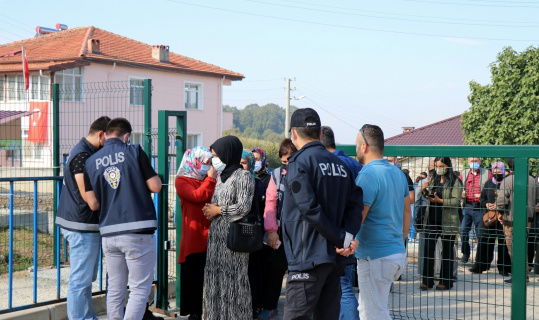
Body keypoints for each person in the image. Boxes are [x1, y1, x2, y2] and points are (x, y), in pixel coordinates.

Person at [281, 108, 363, 320]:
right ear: (319, 134)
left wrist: (340, 238)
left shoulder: (298, 163)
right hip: (335, 261)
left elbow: (308, 207)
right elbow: (356, 203)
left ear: (294, 134)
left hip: (307, 256)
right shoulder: (340, 165)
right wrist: (347, 236)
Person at [84, 118, 162, 320]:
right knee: (138, 290)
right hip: (137, 230)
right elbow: (155, 186)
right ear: (126, 136)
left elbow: (93, 201)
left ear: (106, 134)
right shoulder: (134, 151)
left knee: (115, 290)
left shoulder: (91, 162)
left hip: (109, 232)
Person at [354, 124, 411, 319]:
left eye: (356, 145)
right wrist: (398, 241)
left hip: (374, 256)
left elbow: (357, 217)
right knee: (377, 309)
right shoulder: (397, 173)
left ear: (364, 147)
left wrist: (345, 241)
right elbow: (406, 212)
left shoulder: (367, 175)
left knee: (372, 313)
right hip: (395, 252)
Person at [56, 116, 109, 320]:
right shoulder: (82, 156)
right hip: (81, 225)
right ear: (101, 134)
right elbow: (90, 199)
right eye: (109, 139)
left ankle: (87, 316)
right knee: (80, 280)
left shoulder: (84, 152)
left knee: (85, 279)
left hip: (81, 224)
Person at [201, 135, 255, 320]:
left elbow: (243, 207)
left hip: (233, 243)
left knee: (233, 285)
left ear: (228, 154)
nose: (213, 159)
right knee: (215, 282)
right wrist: (210, 210)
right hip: (216, 241)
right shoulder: (222, 177)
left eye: (216, 155)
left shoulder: (243, 176)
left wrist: (218, 210)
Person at [321, 125, 362, 320]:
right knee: (345, 284)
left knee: (342, 286)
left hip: (336, 235)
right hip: (353, 234)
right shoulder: (354, 164)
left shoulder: (328, 165)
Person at [175, 147, 216, 320]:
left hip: (212, 235)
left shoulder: (208, 179)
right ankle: (195, 312)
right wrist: (211, 179)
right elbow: (197, 196)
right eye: (205, 163)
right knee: (194, 276)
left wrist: (210, 179)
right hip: (194, 237)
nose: (207, 167)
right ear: (195, 161)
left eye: (209, 164)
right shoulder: (182, 180)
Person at [258, 139, 297, 320]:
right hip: (280, 231)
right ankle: (270, 306)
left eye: (290, 160)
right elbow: (271, 203)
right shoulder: (276, 175)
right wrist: (271, 231)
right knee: (274, 270)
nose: (286, 165)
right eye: (283, 162)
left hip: (301, 232)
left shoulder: (308, 172)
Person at [420, 157, 462, 291]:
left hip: (448, 221)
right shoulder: (433, 179)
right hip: (432, 219)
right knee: (428, 250)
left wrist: (441, 201)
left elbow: (456, 202)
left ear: (447, 166)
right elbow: (428, 196)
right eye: (436, 166)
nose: (438, 169)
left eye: (441, 166)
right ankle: (427, 280)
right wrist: (424, 191)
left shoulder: (456, 181)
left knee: (447, 252)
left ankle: (445, 281)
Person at [496, 160, 537, 284]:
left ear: (508, 166)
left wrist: (500, 213)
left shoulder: (507, 180)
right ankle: (524, 275)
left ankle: (519, 276)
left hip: (511, 219)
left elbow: (502, 200)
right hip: (528, 218)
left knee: (513, 248)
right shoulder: (532, 180)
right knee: (523, 246)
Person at [468, 162, 511, 276]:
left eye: (499, 171)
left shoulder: (507, 183)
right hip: (489, 217)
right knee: (484, 240)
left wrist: (500, 206)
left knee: (503, 242)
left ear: (503, 171)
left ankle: (504, 268)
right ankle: (480, 265)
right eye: (494, 171)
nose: (497, 174)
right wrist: (486, 204)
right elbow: (482, 198)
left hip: (503, 217)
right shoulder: (488, 183)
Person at [241, 149, 266, 319]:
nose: (240, 166)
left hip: (252, 233)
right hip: (241, 232)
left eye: (243, 163)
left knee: (253, 271)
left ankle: (254, 306)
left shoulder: (256, 182)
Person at [460, 157, 491, 263]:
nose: (474, 163)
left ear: (480, 162)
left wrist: (482, 196)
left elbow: (491, 188)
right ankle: (465, 253)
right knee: (463, 231)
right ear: (468, 163)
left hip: (480, 207)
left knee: (480, 234)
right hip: (467, 206)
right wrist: (461, 194)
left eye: (476, 161)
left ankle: (480, 258)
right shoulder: (463, 174)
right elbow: (458, 189)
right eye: (472, 161)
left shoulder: (487, 173)